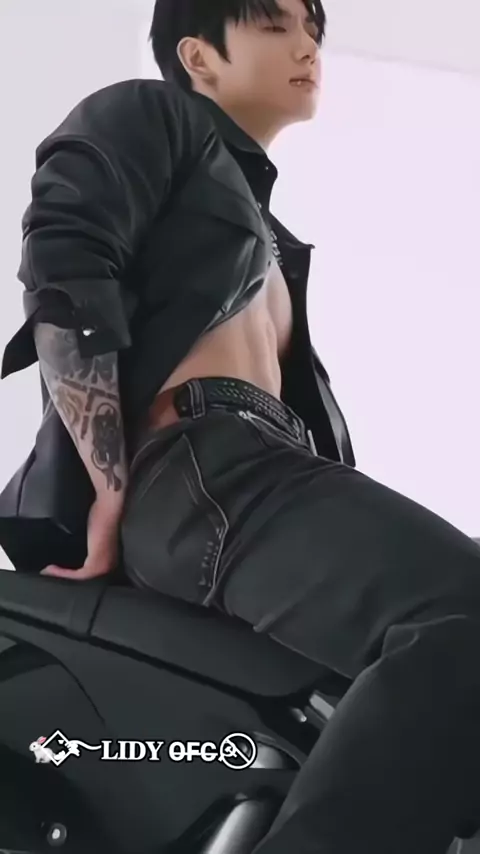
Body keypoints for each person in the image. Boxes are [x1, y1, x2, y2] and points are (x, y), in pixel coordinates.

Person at [1, 0, 480, 851]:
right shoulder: (148, 113)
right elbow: (67, 262)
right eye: (277, 25)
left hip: (254, 470)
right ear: (199, 55)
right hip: (204, 467)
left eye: (315, 30)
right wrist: (107, 482)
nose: (308, 46)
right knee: (463, 607)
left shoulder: (273, 240)